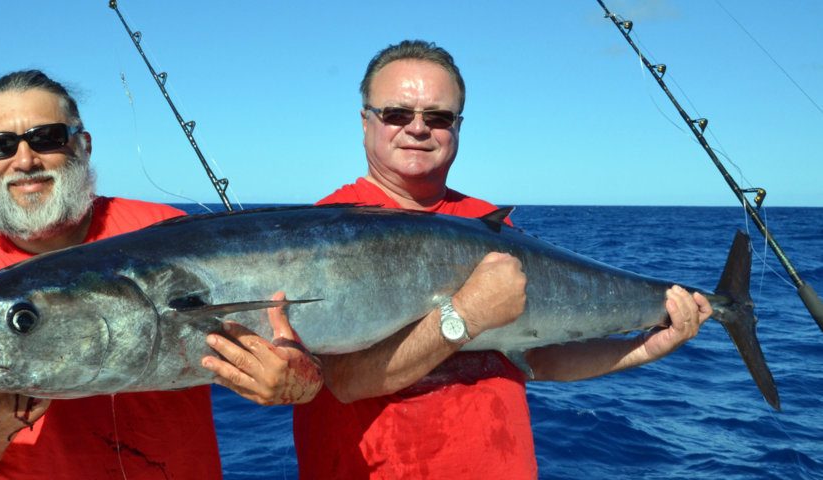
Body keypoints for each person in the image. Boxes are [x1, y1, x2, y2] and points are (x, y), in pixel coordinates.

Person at [292, 40, 713, 479]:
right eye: (397, 113)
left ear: (457, 128)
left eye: (437, 117)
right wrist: (466, 315)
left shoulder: (488, 223)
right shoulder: (319, 235)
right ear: (365, 123)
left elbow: (539, 358)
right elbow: (343, 380)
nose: (417, 128)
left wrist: (646, 346)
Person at [0, 69, 321, 480]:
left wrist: (296, 380)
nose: (25, 160)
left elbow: (297, 350)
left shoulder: (164, 233)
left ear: (83, 145)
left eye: (47, 138)